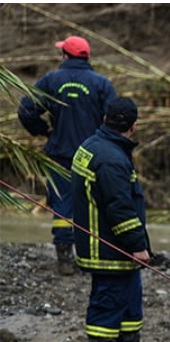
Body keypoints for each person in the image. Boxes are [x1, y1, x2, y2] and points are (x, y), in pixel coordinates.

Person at [71, 97, 160, 342]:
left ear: (106, 118)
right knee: (108, 306)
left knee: (131, 307)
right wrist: (137, 245)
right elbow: (119, 207)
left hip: (110, 245)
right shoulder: (110, 158)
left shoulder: (95, 145)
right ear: (133, 126)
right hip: (108, 249)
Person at [18, 35, 118, 276]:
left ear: (65, 56)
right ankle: (92, 256)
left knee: (62, 205)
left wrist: (43, 130)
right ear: (87, 57)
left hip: (60, 154)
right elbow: (114, 120)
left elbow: (25, 109)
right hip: (94, 157)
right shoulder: (101, 84)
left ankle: (64, 259)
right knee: (94, 204)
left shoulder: (51, 80)